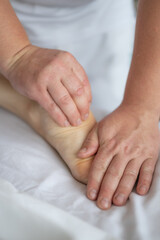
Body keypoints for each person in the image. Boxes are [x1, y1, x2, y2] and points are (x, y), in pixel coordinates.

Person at [0, 0, 159, 211]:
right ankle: (27, 103)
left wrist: (141, 107)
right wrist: (17, 55)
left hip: (100, 21)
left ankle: (26, 102)